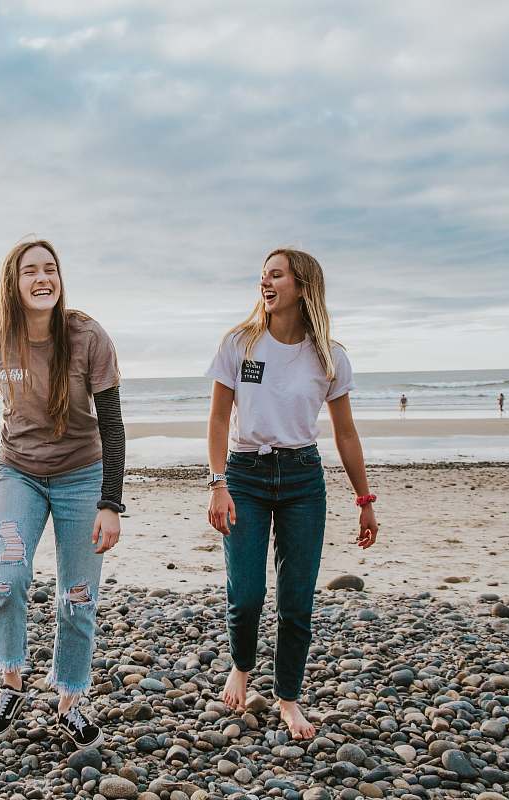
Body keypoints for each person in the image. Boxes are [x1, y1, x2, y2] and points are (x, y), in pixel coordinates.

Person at [205, 247, 378, 740]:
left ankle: (288, 699)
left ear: (302, 286)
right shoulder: (239, 344)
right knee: (248, 593)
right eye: (263, 275)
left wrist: (364, 500)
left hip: (303, 478)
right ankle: (241, 664)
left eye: (276, 274)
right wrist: (217, 483)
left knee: (296, 599)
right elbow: (218, 419)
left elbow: (345, 433)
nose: (266, 281)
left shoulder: (329, 355)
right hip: (244, 476)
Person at [0, 238, 125, 749]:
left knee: (78, 597)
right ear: (13, 282)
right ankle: (11, 681)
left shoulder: (87, 335)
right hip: (19, 474)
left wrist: (110, 503)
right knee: (6, 581)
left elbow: (113, 424)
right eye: (30, 271)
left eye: (49, 269)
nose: (42, 278)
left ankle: (70, 700)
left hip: (82, 474)